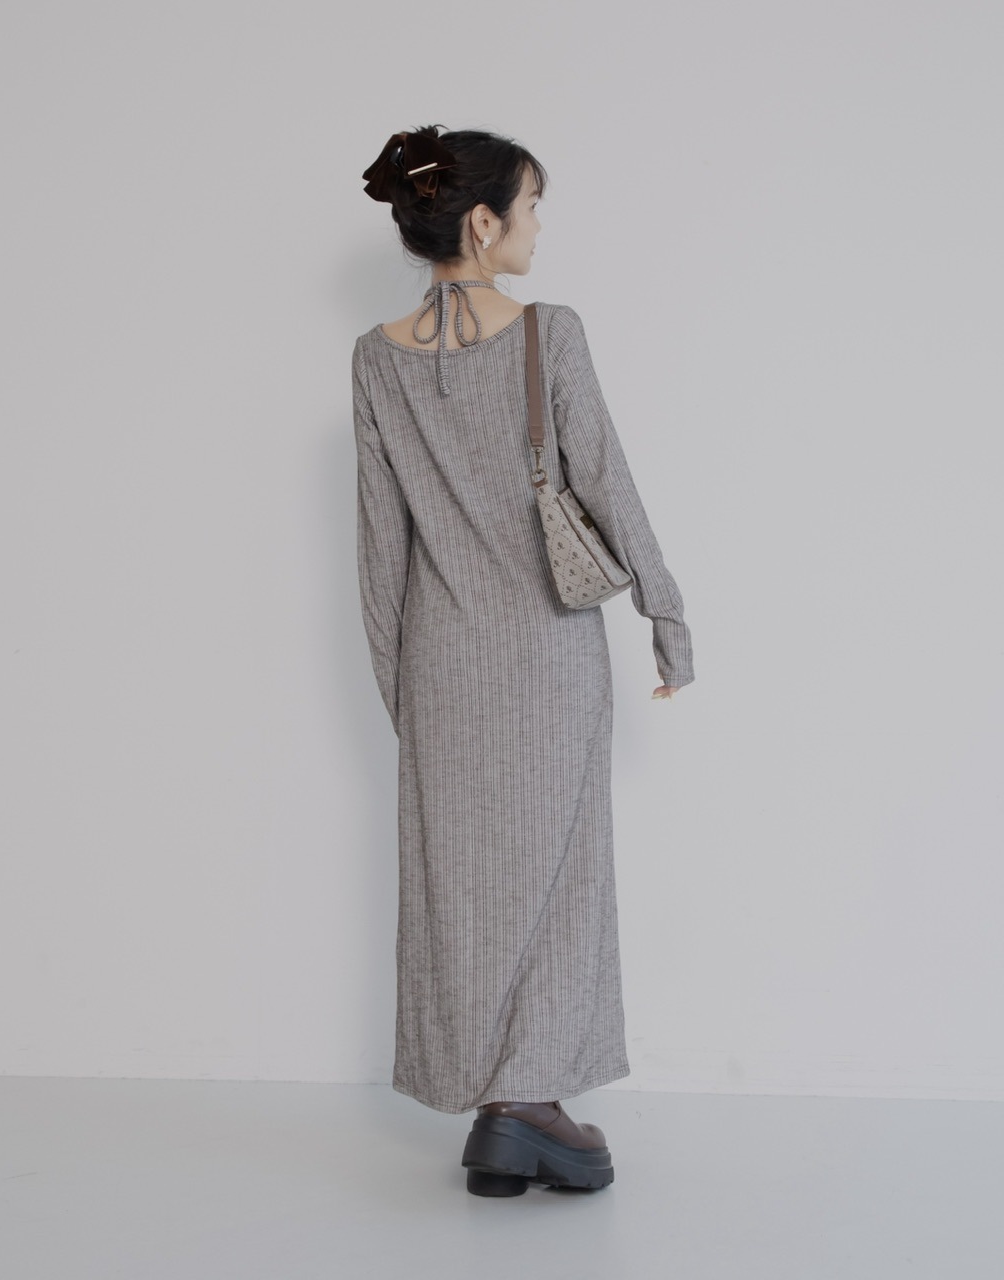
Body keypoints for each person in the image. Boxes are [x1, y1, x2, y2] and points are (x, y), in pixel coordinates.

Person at [352, 124, 695, 1197]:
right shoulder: (549, 332)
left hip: (439, 664)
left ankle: (499, 1111)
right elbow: (606, 480)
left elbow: (379, 548)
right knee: (559, 878)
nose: (539, 228)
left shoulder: (374, 357)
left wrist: (403, 690)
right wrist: (666, 610)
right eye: (532, 206)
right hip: (549, 656)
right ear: (482, 221)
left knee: (459, 886)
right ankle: (527, 1103)